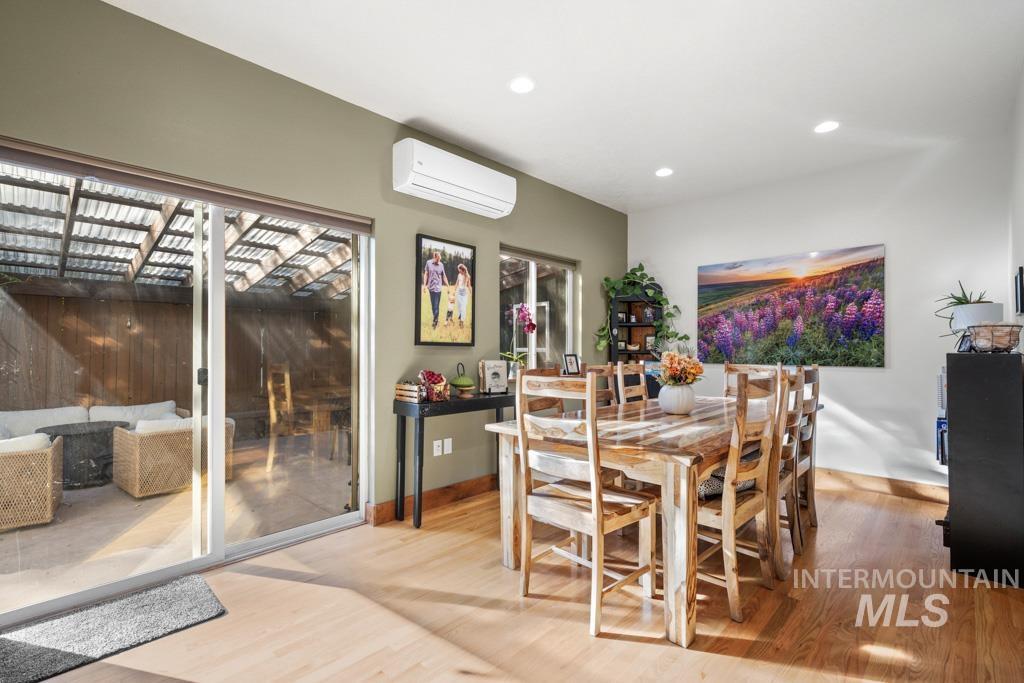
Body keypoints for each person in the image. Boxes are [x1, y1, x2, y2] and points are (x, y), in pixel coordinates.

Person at [422, 251, 449, 328]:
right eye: (437, 259)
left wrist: (448, 286)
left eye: (439, 259)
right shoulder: (428, 263)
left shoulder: (441, 265)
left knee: (436, 306)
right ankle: (436, 320)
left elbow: (444, 276)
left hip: (438, 288)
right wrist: (424, 285)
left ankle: (435, 323)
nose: (439, 261)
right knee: (433, 306)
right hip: (431, 288)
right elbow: (426, 274)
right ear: (434, 257)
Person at [454, 263, 472, 328]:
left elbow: (469, 286)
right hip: (459, 293)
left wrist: (471, 293)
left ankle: (462, 322)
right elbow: (456, 283)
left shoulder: (467, 276)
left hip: (464, 295)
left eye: (459, 270)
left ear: (462, 269)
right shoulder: (459, 275)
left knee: (463, 308)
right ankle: (460, 319)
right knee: (459, 308)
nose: (459, 271)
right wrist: (454, 290)